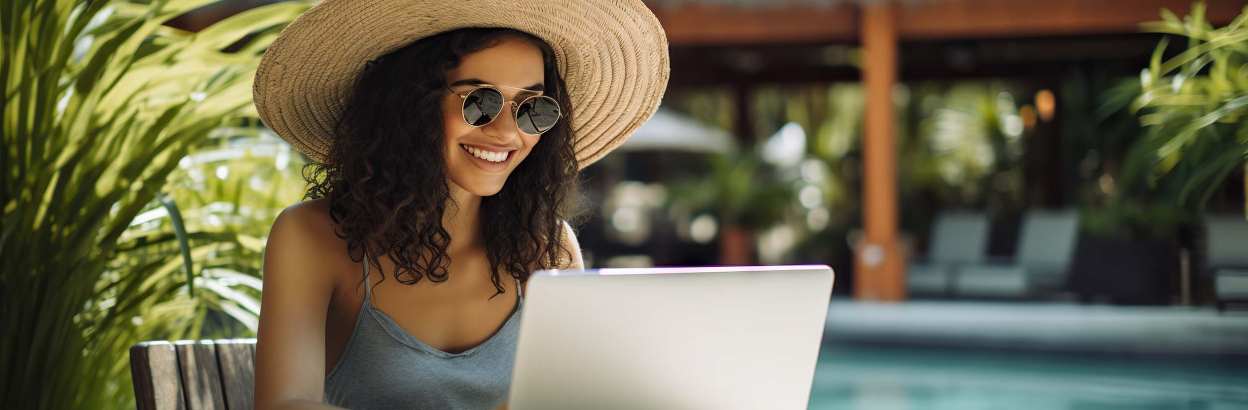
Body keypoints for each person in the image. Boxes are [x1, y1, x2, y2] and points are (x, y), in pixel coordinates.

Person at [249, 1, 669, 409]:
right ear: (409, 105)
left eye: (532, 109)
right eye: (480, 101)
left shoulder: (547, 247)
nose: (507, 133)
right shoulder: (313, 237)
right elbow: (284, 403)